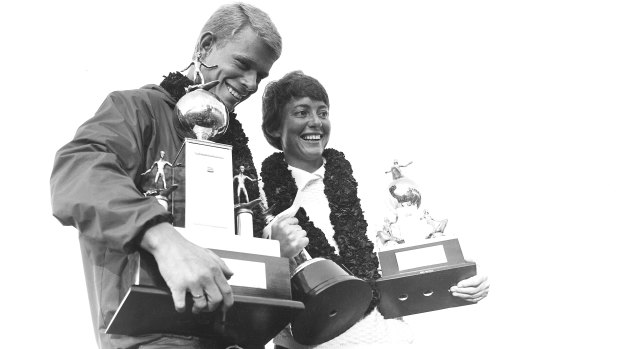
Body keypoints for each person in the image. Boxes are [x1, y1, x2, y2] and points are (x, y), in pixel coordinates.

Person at [50, 3, 281, 349]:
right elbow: (76, 170)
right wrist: (162, 237)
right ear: (205, 47)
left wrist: (273, 245)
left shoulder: (232, 145)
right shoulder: (135, 109)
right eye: (243, 64)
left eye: (260, 76)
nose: (251, 84)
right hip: (148, 338)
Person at [259, 71, 490, 348]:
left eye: (323, 112)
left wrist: (460, 282)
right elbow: (249, 296)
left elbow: (403, 264)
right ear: (274, 127)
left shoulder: (361, 188)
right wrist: (275, 254)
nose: (315, 122)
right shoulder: (259, 200)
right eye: (301, 112)